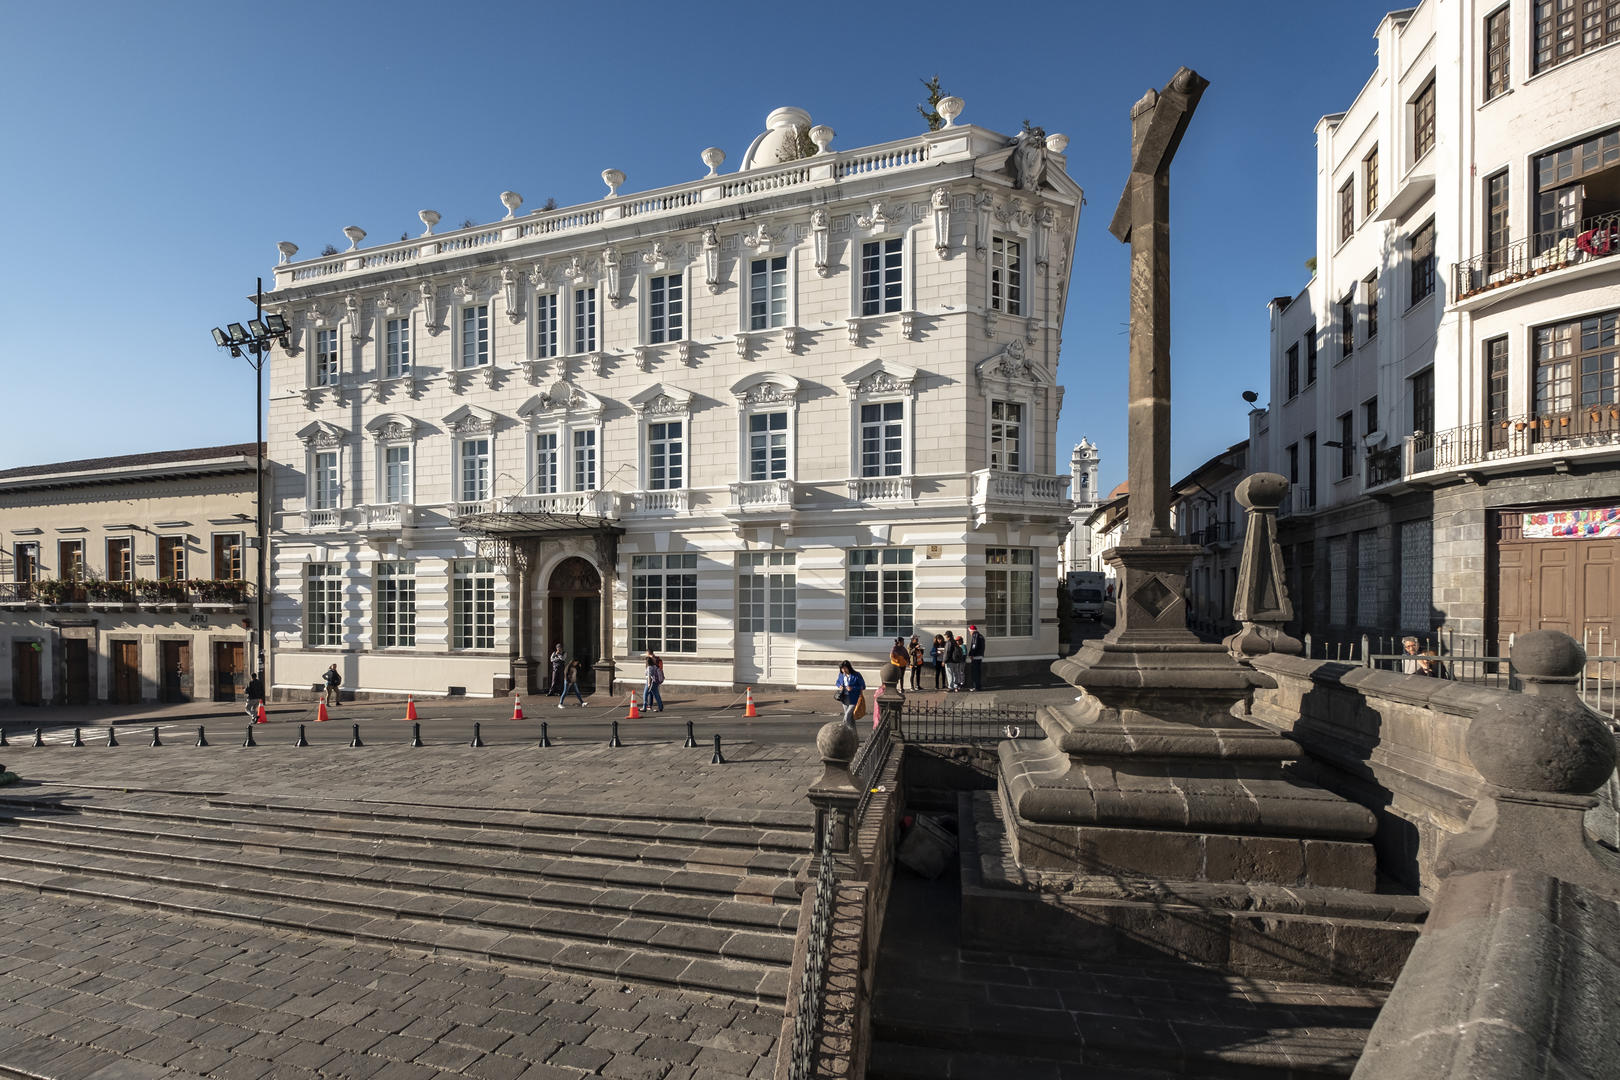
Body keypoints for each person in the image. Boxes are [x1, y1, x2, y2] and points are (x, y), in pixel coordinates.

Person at [835, 660, 866, 729]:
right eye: (842, 669)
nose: (844, 670)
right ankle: (852, 733)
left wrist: (852, 688)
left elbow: (863, 686)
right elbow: (837, 682)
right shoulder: (841, 675)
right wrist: (839, 685)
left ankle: (842, 728)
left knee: (847, 715)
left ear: (849, 667)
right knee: (850, 717)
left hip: (854, 697)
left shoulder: (857, 675)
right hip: (844, 697)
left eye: (845, 668)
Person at [968, 624, 986, 691]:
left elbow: (974, 646)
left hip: (975, 656)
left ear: (972, 631)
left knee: (974, 672)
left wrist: (971, 654)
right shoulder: (981, 636)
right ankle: (978, 686)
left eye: (970, 631)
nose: (970, 633)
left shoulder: (975, 635)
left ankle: (975, 687)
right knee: (978, 672)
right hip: (980, 656)